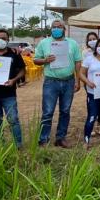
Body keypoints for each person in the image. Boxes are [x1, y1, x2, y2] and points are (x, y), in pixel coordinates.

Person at [33, 19, 82, 147]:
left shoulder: (72, 43)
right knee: (48, 111)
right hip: (51, 82)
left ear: (64, 29)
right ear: (51, 29)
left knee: (65, 111)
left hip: (68, 81)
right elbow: (35, 60)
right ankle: (43, 139)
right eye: (54, 27)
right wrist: (45, 60)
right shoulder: (44, 43)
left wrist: (78, 80)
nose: (57, 29)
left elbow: (78, 62)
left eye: (59, 26)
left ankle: (61, 138)